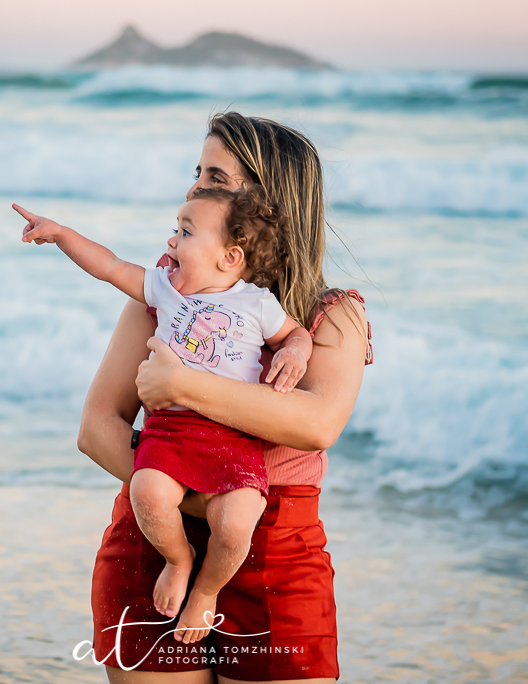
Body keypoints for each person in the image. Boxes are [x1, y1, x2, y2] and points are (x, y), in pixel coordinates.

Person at [78, 112, 373, 682]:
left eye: (215, 178)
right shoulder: (169, 292)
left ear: (267, 205)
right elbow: (97, 427)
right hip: (154, 544)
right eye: (197, 172)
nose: (193, 188)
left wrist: (184, 384)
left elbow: (316, 424)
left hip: (275, 556)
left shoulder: (332, 316)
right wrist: (195, 508)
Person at [13, 185, 313, 644]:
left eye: (187, 232)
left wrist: (295, 350)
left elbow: (294, 334)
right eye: (175, 229)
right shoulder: (165, 290)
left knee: (237, 521)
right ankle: (179, 559)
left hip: (234, 436)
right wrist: (62, 235)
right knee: (148, 493)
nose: (171, 241)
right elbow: (110, 266)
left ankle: (207, 590)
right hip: (171, 430)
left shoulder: (256, 303)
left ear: (230, 258)